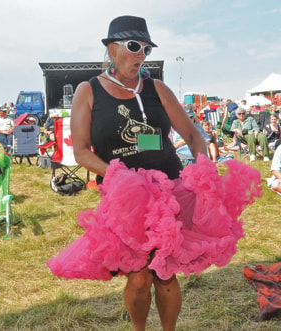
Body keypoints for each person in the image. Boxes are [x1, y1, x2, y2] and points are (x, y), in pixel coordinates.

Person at [47, 16, 260, 331]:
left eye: (145, 49)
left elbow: (193, 135)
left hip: (169, 193)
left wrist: (202, 167)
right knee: (138, 275)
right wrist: (118, 176)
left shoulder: (157, 88)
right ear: (111, 48)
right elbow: (80, 151)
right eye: (134, 46)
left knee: (164, 273)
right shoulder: (88, 90)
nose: (140, 55)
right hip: (125, 198)